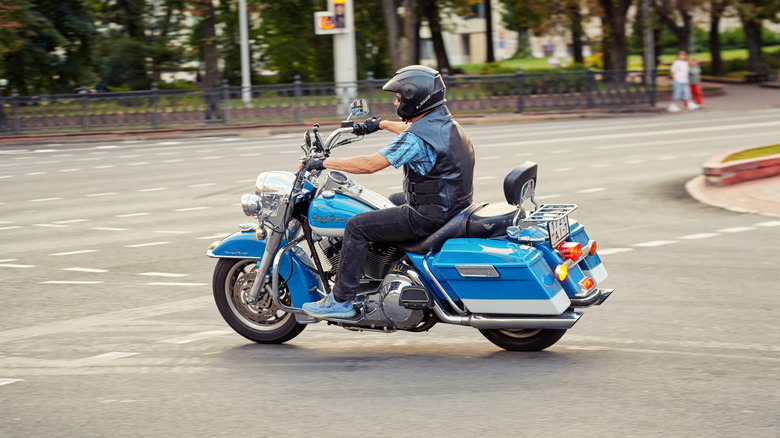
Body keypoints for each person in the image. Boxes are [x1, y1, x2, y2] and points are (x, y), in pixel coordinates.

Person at [301, 65, 476, 318]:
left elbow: (370, 165)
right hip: (452, 206)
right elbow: (412, 131)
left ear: (413, 97)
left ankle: (341, 300)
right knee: (393, 200)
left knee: (357, 226)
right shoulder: (446, 123)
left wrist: (323, 163)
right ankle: (389, 269)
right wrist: (381, 124)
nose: (396, 101)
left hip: (431, 215)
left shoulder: (417, 139)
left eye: (399, 97)